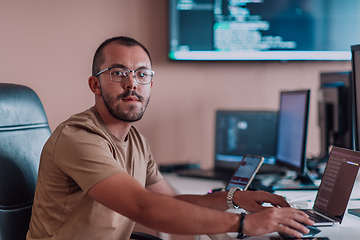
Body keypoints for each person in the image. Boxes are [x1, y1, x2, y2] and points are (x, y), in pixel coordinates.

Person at [26, 36, 313, 240]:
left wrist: (233, 198)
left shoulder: (136, 141)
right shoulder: (78, 137)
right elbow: (143, 207)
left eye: (142, 74)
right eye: (118, 73)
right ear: (95, 85)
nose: (131, 83)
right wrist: (244, 224)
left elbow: (173, 202)